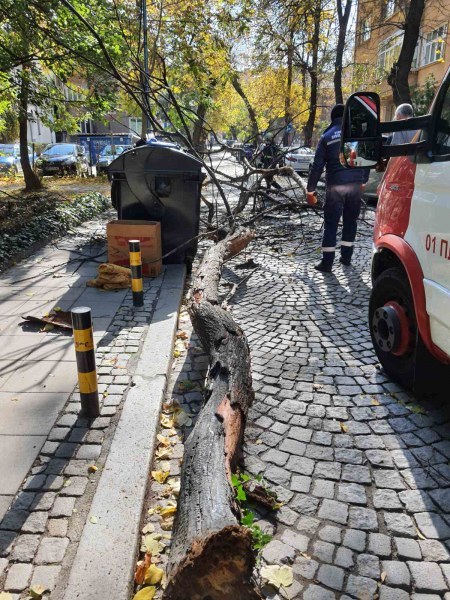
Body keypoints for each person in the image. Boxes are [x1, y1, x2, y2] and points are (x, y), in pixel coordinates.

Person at [307, 104, 369, 273]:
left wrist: (310, 190)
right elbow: (365, 159)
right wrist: (363, 180)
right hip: (354, 186)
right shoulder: (354, 135)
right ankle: (346, 258)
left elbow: (317, 166)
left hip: (335, 186)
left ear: (332, 118)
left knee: (331, 224)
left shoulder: (327, 136)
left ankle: (327, 263)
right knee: (350, 221)